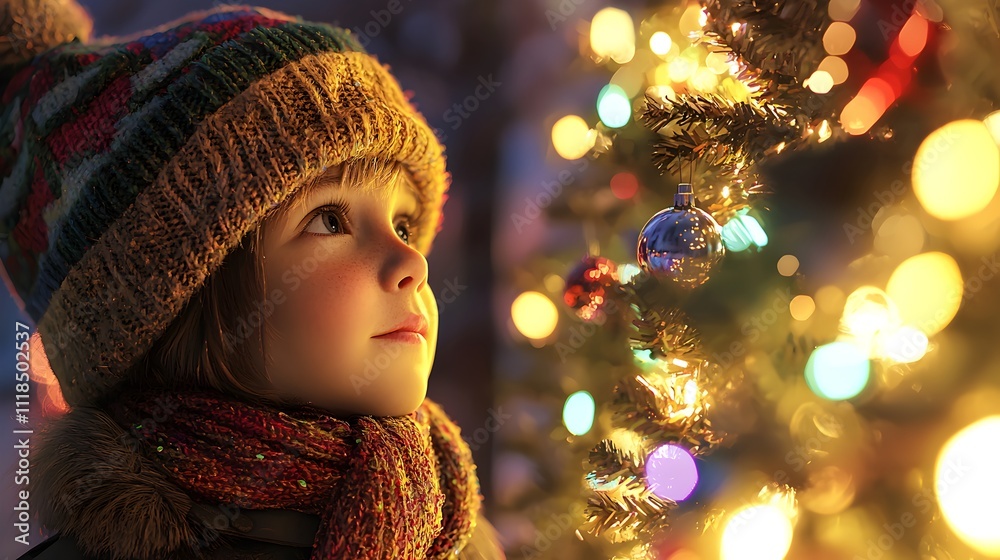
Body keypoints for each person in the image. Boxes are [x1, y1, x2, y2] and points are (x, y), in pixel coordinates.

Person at [0, 0, 505, 558]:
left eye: (403, 225)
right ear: (185, 302)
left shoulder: (455, 536)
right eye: (329, 220)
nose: (413, 262)